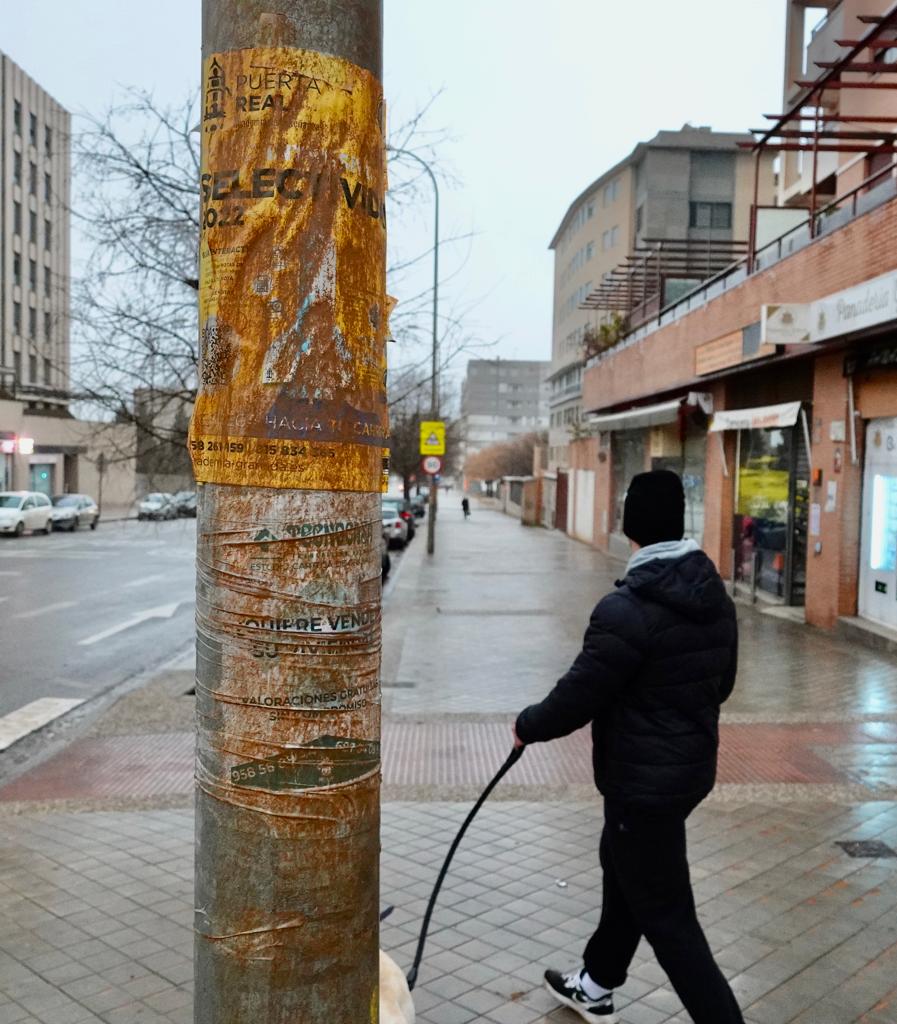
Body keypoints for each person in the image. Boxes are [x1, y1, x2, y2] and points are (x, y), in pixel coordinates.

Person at [514, 469, 742, 1024]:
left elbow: (579, 696)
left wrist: (528, 724)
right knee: (624, 871)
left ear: (630, 528)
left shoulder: (627, 610)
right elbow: (724, 684)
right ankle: (595, 984)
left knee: (667, 915)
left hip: (642, 786)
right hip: (684, 776)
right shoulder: (715, 598)